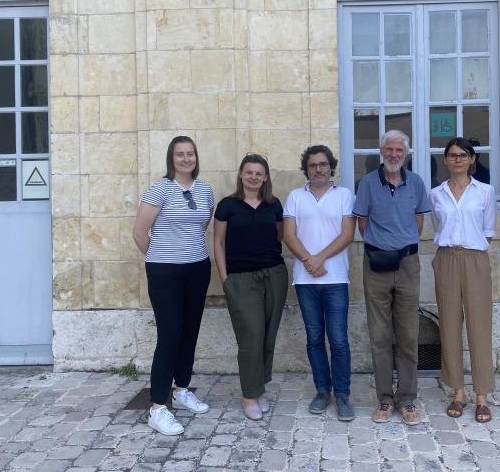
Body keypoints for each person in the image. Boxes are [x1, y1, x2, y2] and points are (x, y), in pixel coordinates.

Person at [132, 135, 215, 436]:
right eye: (179, 154)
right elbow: (140, 233)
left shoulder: (205, 190)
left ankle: (181, 390)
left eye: (190, 154)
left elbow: (200, 226)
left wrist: (186, 253)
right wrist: (162, 258)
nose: (185, 159)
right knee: (170, 334)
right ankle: (157, 407)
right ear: (172, 158)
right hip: (165, 272)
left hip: (198, 268)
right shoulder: (160, 189)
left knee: (190, 331)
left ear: (196, 157)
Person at [352, 130, 432, 426]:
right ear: (381, 151)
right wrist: (380, 245)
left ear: (406, 153)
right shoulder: (367, 183)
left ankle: (407, 398)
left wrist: (402, 244)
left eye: (399, 150)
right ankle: (385, 398)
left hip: (408, 264)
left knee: (409, 334)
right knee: (380, 335)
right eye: (389, 149)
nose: (394, 154)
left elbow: (419, 220)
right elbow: (362, 222)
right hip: (376, 264)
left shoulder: (417, 183)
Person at [283, 145, 356, 421]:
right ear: (306, 169)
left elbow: (347, 233)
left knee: (338, 340)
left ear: (331, 167)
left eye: (323, 164)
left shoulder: (344, 195)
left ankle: (343, 395)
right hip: (305, 281)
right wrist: (308, 261)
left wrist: (319, 259)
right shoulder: (294, 197)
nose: (318, 169)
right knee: (314, 339)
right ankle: (322, 391)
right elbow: (289, 235)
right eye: (313, 165)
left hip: (336, 278)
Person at [213, 154, 288, 421]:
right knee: (251, 336)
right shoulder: (227, 206)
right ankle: (248, 395)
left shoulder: (274, 205)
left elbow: (281, 236)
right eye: (249, 172)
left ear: (265, 177)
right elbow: (219, 243)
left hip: (274, 275)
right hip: (241, 278)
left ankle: (259, 389)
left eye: (259, 173)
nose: (254, 177)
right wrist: (226, 279)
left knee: (267, 336)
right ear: (241, 175)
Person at [430, 138, 496, 423]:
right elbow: (437, 226)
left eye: (463, 155)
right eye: (452, 155)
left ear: (472, 160)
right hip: (446, 258)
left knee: (479, 326)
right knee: (449, 324)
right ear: (445, 160)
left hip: (474, 259)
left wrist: (470, 249)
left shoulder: (485, 191)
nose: (457, 159)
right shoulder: (436, 194)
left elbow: (488, 231)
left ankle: (481, 394)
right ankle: (458, 391)